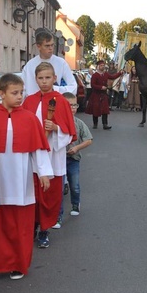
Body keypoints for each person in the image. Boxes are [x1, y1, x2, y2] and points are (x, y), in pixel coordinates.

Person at [0, 74, 53, 284]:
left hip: (21, 181)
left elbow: (38, 148)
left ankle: (17, 264)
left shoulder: (29, 118)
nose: (20, 97)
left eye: (22, 93)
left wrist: (43, 172)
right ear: (1, 94)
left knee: (19, 226)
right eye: (15, 93)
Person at [22, 62, 76, 249]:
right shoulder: (29, 100)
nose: (44, 82)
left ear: (54, 78)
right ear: (35, 79)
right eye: (40, 78)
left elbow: (69, 132)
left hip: (53, 156)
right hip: (32, 156)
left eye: (47, 78)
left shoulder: (60, 101)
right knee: (32, 193)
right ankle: (34, 226)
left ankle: (45, 229)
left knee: (49, 195)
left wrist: (56, 128)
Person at [57, 92, 93, 223]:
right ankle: (57, 216)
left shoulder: (79, 123)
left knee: (75, 185)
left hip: (73, 159)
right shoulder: (57, 123)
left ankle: (75, 203)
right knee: (58, 189)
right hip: (58, 160)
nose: (72, 108)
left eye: (74, 105)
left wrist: (77, 148)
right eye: (68, 105)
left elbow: (88, 139)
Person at [20, 30, 77, 97]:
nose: (51, 49)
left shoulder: (61, 63)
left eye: (52, 45)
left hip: (53, 102)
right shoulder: (29, 66)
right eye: (47, 46)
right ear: (38, 46)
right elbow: (22, 90)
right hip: (33, 104)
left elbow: (73, 87)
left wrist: (56, 89)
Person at [85, 60, 113, 129]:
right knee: (95, 109)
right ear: (98, 66)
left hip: (104, 95)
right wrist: (101, 87)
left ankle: (105, 124)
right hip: (96, 94)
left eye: (103, 65)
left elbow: (113, 77)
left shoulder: (106, 74)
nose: (102, 67)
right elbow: (93, 85)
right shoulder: (95, 75)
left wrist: (120, 73)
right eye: (101, 65)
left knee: (105, 110)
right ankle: (95, 124)